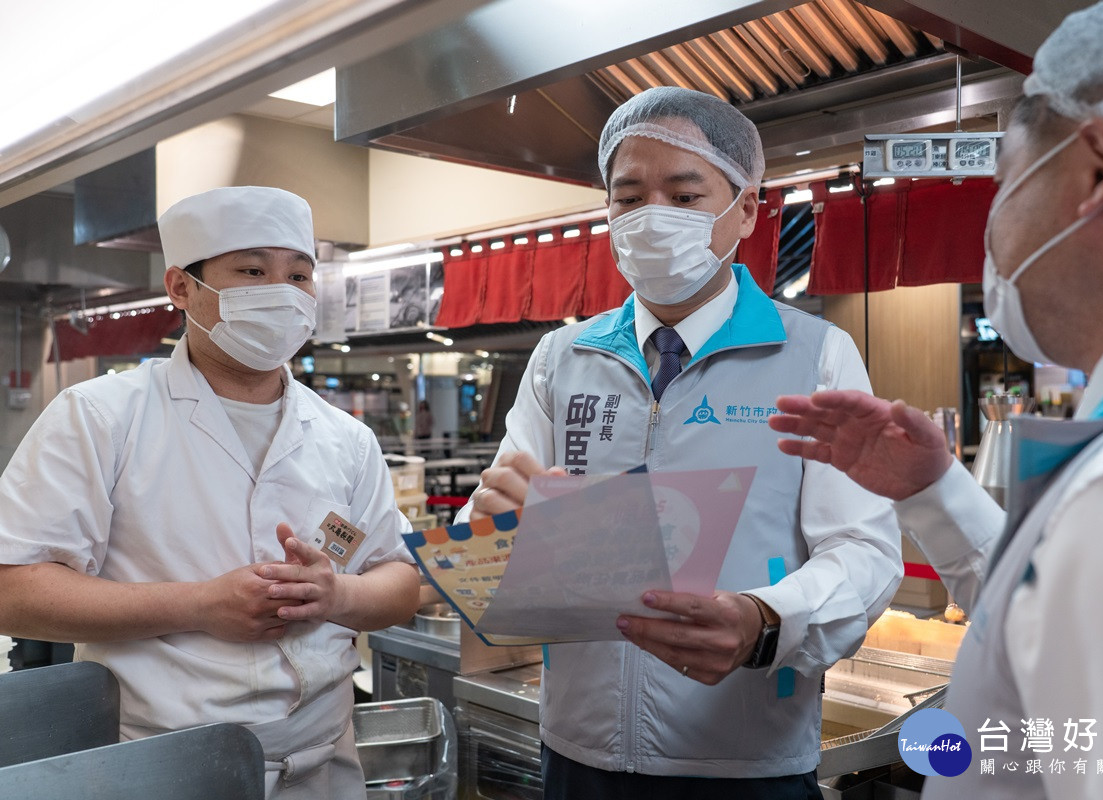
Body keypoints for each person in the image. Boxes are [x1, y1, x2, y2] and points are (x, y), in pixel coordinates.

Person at [770, 2, 1103, 797]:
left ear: (1097, 166)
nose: (993, 228)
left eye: (1005, 181)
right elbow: (1050, 623)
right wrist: (936, 493)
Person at [462, 86, 902, 799]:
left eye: (684, 195)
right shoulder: (561, 358)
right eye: (628, 197)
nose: (651, 218)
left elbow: (865, 549)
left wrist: (764, 620)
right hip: (578, 751)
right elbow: (490, 544)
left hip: (743, 757)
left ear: (747, 209)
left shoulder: (815, 356)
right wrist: (492, 525)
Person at [0, 186, 421, 799]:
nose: (282, 292)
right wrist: (199, 605)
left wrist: (338, 594)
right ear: (181, 287)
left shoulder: (346, 439)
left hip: (324, 766)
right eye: (252, 271)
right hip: (160, 763)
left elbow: (401, 583)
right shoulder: (101, 417)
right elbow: (12, 588)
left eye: (299, 276)